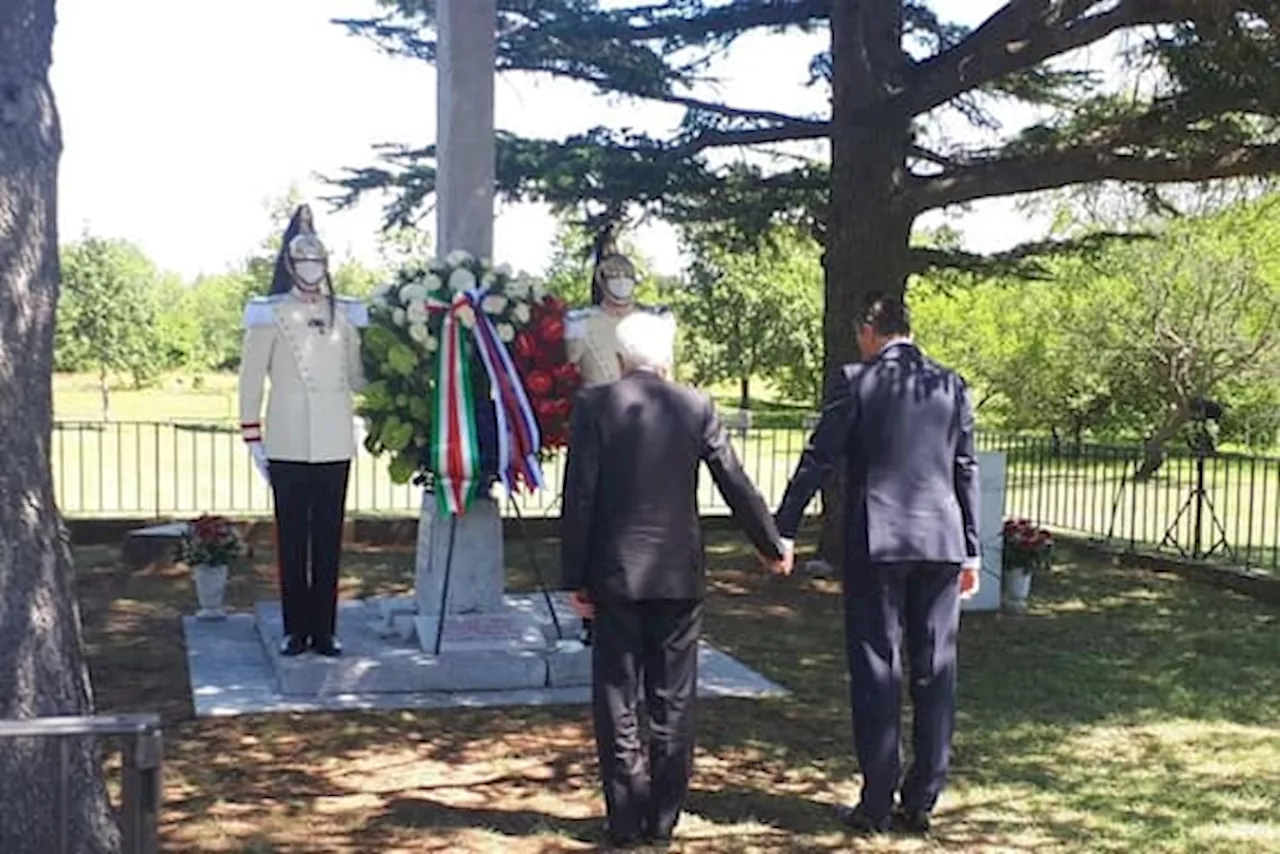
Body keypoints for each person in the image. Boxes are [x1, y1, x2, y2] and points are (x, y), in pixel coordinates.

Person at [560, 311, 791, 849]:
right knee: (674, 698)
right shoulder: (695, 405)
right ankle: (663, 818)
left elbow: (581, 496)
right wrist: (770, 543)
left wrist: (575, 575)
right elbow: (734, 479)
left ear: (619, 361)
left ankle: (624, 817)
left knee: (617, 697)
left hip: (615, 574)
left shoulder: (595, 405)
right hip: (676, 573)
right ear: (666, 360)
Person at [774, 294, 980, 836]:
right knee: (936, 669)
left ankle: (876, 799)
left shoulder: (856, 381)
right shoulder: (951, 384)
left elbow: (821, 457)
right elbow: (965, 467)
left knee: (876, 667)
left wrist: (784, 525)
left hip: (879, 539)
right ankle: (923, 797)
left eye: (859, 332)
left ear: (871, 330)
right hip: (941, 539)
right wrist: (974, 548)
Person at [238, 204, 368, 657]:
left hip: (333, 437)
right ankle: (296, 628)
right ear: (290, 266)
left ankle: (325, 628)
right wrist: (252, 434)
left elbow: (357, 376)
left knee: (329, 537)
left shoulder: (347, 313)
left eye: (318, 262)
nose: (312, 270)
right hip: (289, 437)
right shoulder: (267, 312)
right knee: (292, 537)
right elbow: (251, 377)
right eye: (303, 262)